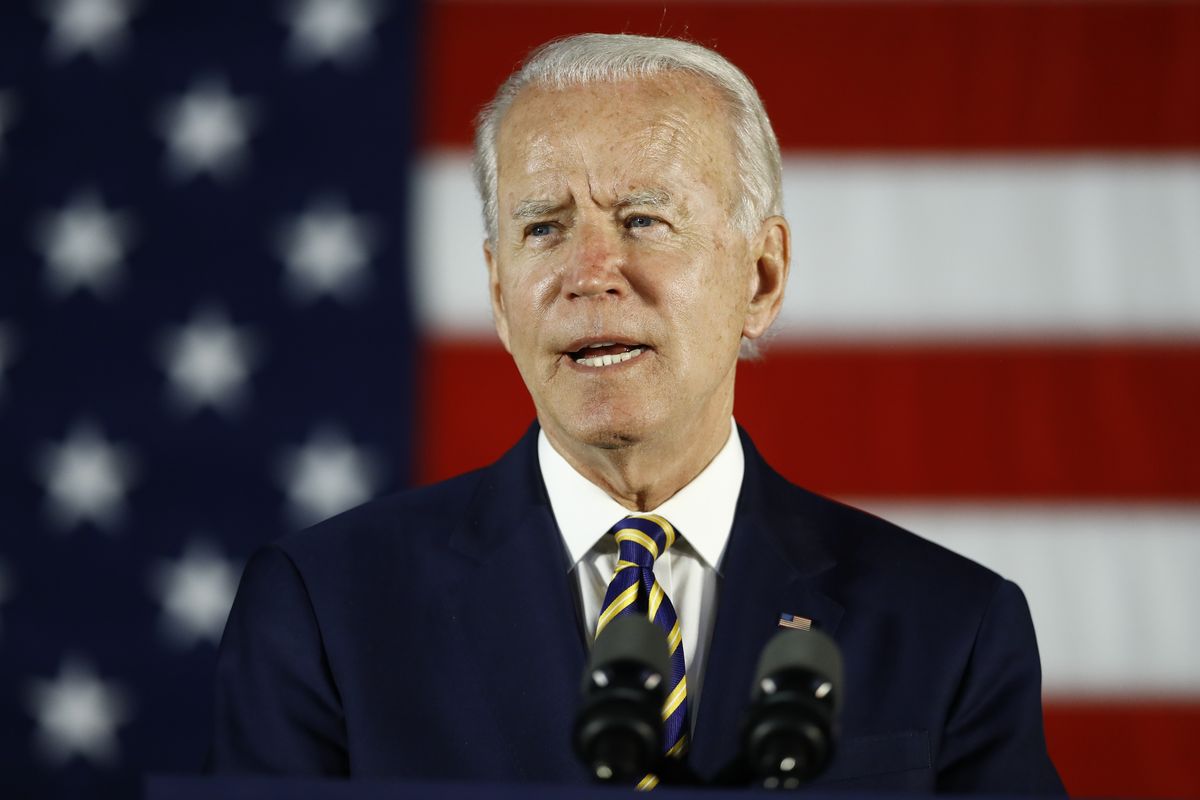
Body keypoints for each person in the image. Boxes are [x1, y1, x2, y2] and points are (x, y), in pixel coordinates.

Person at [209, 33, 1064, 793]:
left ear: (761, 279)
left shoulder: (951, 627)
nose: (590, 272)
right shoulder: (323, 612)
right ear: (501, 293)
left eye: (644, 220)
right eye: (543, 228)